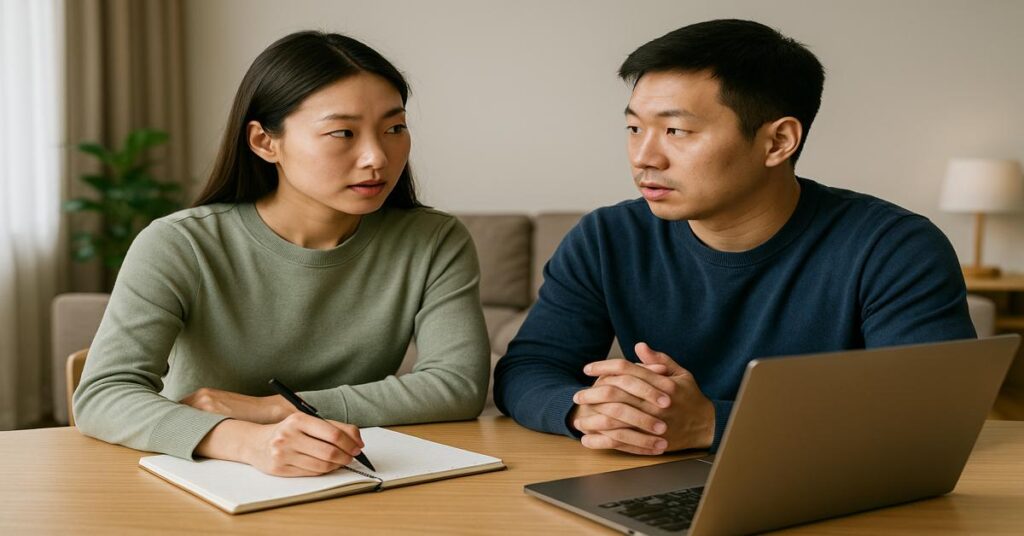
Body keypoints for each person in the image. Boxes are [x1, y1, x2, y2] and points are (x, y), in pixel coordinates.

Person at [493, 19, 976, 456]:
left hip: (829, 483)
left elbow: (931, 414)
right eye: (634, 127)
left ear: (778, 142)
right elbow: (529, 368)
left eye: (676, 130)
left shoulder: (893, 247)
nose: (644, 157)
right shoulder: (607, 236)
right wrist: (586, 410)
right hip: (645, 481)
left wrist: (712, 424)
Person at [73, 31, 490, 476]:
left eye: (394, 129)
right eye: (342, 133)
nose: (376, 157)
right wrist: (245, 440)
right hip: (209, 474)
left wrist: (273, 410)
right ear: (263, 142)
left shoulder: (434, 239)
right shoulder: (180, 244)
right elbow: (104, 394)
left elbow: (458, 385)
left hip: (357, 472)